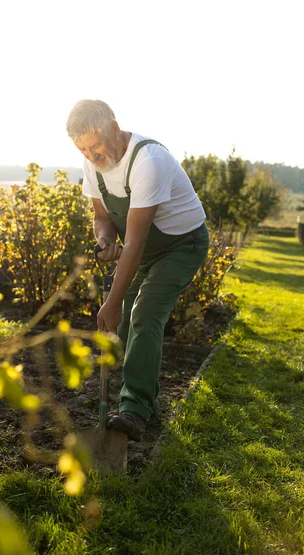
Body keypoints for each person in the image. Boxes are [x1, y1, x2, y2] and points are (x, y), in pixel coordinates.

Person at [66, 99, 209, 442]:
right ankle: (148, 399)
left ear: (115, 129)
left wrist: (112, 301)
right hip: (141, 248)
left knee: (143, 313)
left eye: (96, 145)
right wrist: (104, 242)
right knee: (128, 319)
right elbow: (103, 217)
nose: (92, 155)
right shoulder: (92, 165)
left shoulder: (149, 161)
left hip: (181, 245)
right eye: (84, 149)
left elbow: (137, 239)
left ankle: (135, 409)